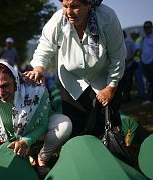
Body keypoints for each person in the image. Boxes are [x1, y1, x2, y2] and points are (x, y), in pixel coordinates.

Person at [25, 0, 126, 138]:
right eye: (65, 6)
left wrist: (111, 87)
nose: (68, 12)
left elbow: (117, 56)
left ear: (88, 5)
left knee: (106, 124)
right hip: (71, 79)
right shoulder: (58, 20)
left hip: (103, 76)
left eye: (74, 6)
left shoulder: (107, 17)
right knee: (76, 125)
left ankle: (109, 154)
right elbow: (45, 47)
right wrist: (39, 69)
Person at [0, 62, 72, 177]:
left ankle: (42, 158)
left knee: (64, 125)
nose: (1, 92)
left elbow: (42, 125)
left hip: (36, 132)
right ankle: (28, 153)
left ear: (15, 81)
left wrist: (26, 141)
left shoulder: (36, 92)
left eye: (5, 85)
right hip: (10, 139)